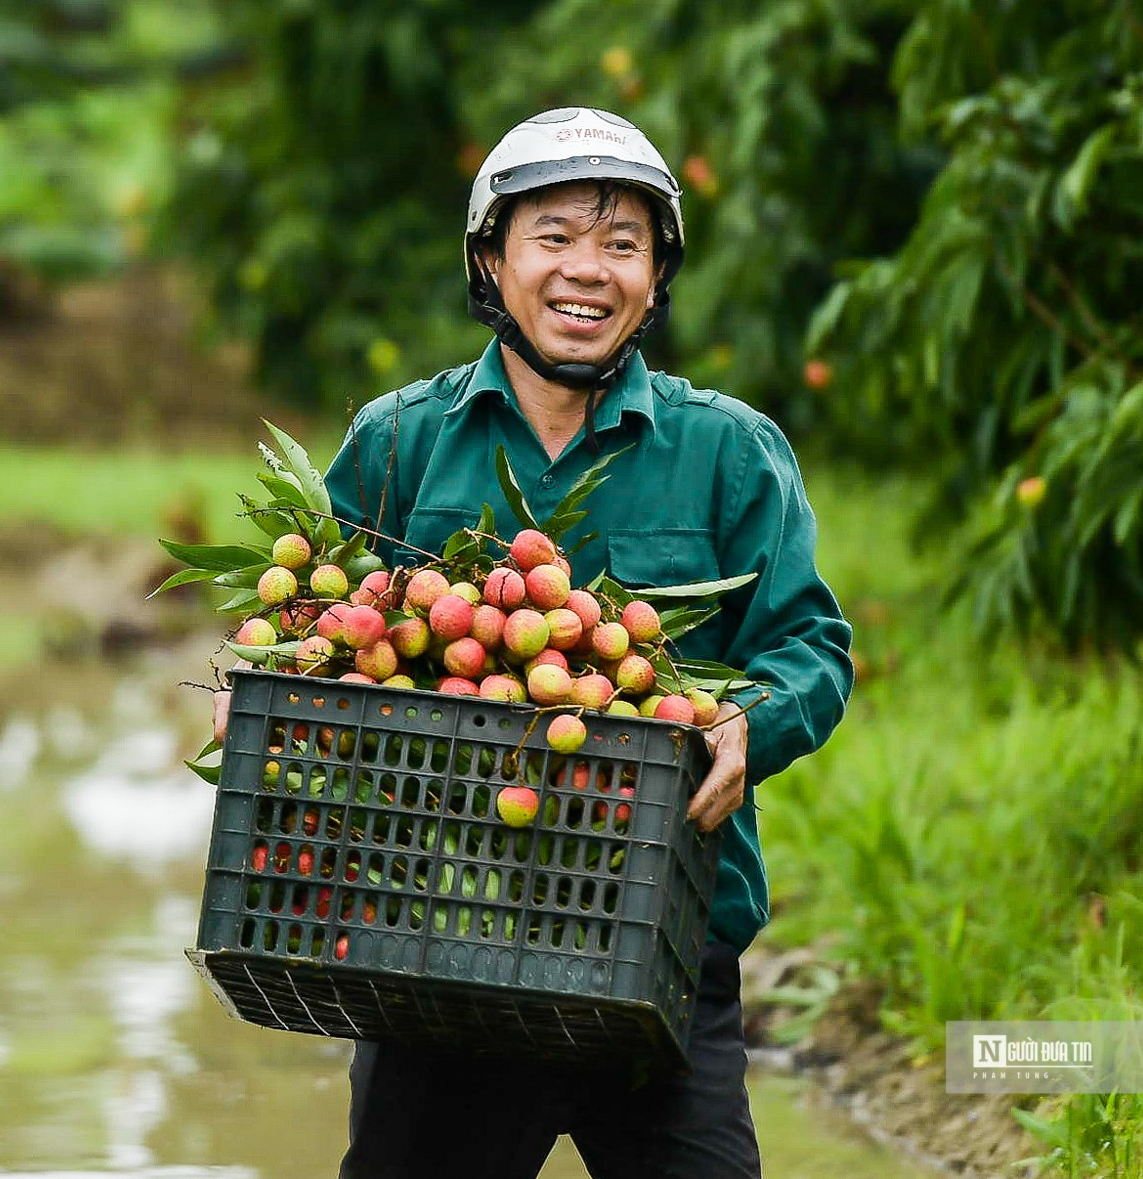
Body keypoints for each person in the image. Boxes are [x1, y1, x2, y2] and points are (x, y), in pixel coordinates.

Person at [215, 107, 852, 1178]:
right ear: (491, 260)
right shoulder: (399, 440)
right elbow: (308, 625)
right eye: (552, 236)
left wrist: (748, 719)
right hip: (430, 947)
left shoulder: (728, 452)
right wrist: (271, 688)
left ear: (656, 276)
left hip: (661, 947)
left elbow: (811, 648)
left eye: (621, 244)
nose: (587, 270)